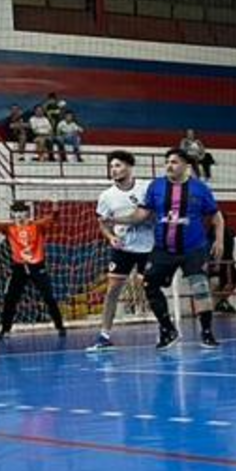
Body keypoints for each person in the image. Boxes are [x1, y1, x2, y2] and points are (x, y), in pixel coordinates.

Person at [124, 148, 226, 350]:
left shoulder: (200, 189)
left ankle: (206, 332)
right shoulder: (156, 186)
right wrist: (115, 220)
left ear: (186, 166)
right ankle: (167, 329)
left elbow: (216, 216)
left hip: (193, 248)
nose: (169, 165)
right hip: (163, 249)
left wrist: (219, 241)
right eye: (167, 162)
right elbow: (142, 214)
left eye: (174, 162)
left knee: (200, 287)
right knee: (149, 284)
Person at [85, 149, 153, 351]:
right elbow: (102, 224)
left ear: (129, 167)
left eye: (118, 165)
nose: (114, 170)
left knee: (151, 288)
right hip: (123, 249)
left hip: (148, 246)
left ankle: (165, 328)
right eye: (111, 166)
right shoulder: (106, 196)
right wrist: (111, 236)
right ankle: (104, 335)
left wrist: (117, 221)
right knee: (112, 290)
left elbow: (145, 216)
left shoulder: (145, 188)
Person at [0, 199, 65, 339]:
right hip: (19, 268)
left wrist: (55, 208)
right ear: (12, 215)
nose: (20, 217)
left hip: (37, 266)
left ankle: (60, 326)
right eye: (16, 214)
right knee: (10, 299)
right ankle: (5, 330)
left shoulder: (37, 226)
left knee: (48, 297)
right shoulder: (9, 228)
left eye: (22, 214)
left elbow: (53, 218)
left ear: (27, 214)